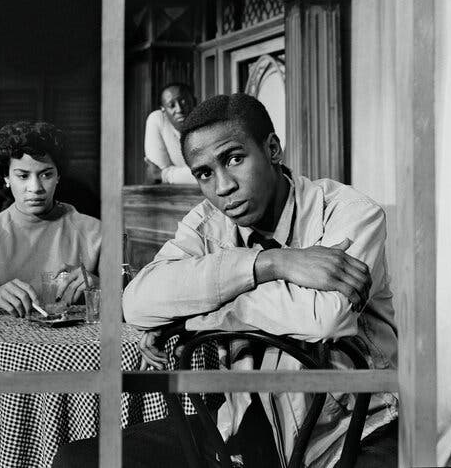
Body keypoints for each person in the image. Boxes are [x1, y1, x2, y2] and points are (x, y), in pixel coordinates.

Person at [57, 94, 397, 468]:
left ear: (272, 149)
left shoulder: (349, 212)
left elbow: (324, 317)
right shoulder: (207, 222)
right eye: (204, 173)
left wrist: (190, 316)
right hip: (243, 428)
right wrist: (270, 263)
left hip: (352, 433)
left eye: (234, 159)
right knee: (77, 460)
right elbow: (137, 302)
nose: (222, 187)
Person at [0, 121, 101, 325]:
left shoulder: (96, 233)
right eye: (23, 176)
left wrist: (101, 288)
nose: (35, 187)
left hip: (79, 344)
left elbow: (130, 309)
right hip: (4, 344)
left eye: (46, 174)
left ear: (58, 176)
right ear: (6, 177)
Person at [144, 82, 197, 184]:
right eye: (171, 105)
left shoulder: (209, 125)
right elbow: (156, 174)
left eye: (184, 102)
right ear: (163, 109)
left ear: (194, 102)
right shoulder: (158, 119)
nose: (179, 109)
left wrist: (164, 175)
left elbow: (210, 174)